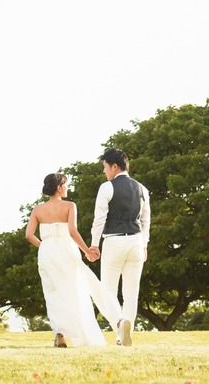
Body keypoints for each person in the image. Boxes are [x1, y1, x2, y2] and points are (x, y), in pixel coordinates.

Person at [25, 172, 122, 347]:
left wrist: (45, 247)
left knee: (52, 293)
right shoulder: (70, 206)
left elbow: (29, 235)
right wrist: (87, 251)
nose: (67, 188)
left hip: (46, 253)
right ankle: (116, 320)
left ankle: (59, 334)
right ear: (59, 187)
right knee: (79, 288)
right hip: (66, 249)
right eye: (66, 185)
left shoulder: (38, 210)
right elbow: (72, 231)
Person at [88, 148, 150, 347]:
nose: (105, 172)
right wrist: (145, 245)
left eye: (105, 167)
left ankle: (120, 324)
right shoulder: (142, 188)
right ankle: (124, 335)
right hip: (136, 242)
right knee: (132, 292)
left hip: (114, 242)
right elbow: (146, 219)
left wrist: (94, 245)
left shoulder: (106, 187)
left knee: (108, 291)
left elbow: (99, 219)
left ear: (114, 166)